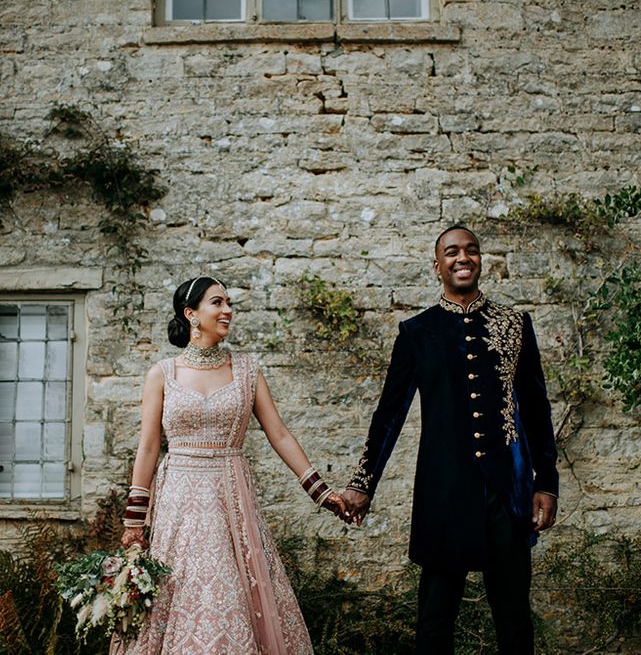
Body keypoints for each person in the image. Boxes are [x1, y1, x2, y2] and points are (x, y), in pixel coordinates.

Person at [342, 226, 559, 654]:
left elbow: (536, 408)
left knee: (514, 615)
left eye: (471, 251)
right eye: (452, 252)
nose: (463, 258)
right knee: (436, 619)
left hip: (507, 493)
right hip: (444, 492)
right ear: (437, 265)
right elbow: (389, 414)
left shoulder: (515, 324)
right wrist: (362, 484)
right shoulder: (417, 333)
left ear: (480, 260)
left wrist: (546, 482)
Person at [115, 276, 348, 654]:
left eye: (229, 303)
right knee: (181, 592)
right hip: (180, 506)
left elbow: (280, 434)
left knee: (232, 596)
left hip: (231, 500)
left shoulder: (246, 370)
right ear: (191, 314)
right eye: (217, 303)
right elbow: (148, 448)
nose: (227, 311)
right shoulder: (162, 374)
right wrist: (133, 524)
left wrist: (321, 493)